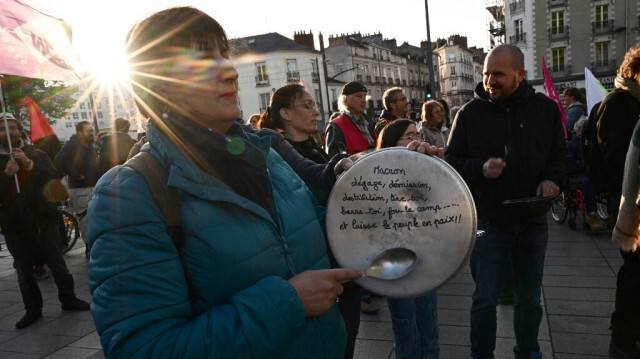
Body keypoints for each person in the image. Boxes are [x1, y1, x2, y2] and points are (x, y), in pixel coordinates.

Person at [87, 7, 363, 358]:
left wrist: (386, 185)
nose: (230, 71)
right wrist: (286, 304)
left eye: (223, 54)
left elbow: (312, 237)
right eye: (201, 58)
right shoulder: (128, 194)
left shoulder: (265, 154)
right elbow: (143, 348)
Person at [445, 44, 566, 359]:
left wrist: (553, 180)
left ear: (520, 74)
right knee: (484, 299)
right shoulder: (468, 113)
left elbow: (560, 155)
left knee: (529, 298)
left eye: (498, 74)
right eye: (486, 73)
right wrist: (480, 168)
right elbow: (450, 161)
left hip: (532, 222)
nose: (489, 80)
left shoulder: (546, 109)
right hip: (488, 223)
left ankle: (528, 352)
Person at [0, 112, 90, 329]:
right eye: (2, 128)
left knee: (58, 265)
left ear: (19, 129)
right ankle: (33, 309)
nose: (8, 132)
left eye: (12, 127)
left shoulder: (37, 154)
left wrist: (29, 165)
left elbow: (52, 178)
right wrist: (5, 175)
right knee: (24, 272)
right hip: (15, 226)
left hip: (44, 221)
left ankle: (68, 298)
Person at [377, 119, 440, 359]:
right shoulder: (377, 176)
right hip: (395, 262)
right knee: (405, 326)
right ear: (391, 144)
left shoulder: (429, 170)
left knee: (429, 321)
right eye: (408, 135)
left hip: (425, 258)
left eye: (418, 134)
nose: (417, 139)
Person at [595, 45, 640, 359]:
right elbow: (614, 157)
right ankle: (623, 339)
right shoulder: (620, 102)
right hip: (626, 197)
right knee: (633, 271)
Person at [54, 121, 98, 251]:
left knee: (93, 216)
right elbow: (58, 159)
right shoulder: (72, 144)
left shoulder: (89, 145)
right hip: (79, 188)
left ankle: (93, 243)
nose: (91, 133)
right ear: (80, 132)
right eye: (88, 131)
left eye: (91, 130)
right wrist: (75, 174)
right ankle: (88, 245)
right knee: (84, 219)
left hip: (92, 185)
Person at [566, 117, 603, 231]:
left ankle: (613, 212)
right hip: (578, 175)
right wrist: (586, 163)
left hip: (590, 172)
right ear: (579, 130)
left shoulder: (591, 143)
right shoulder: (571, 145)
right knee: (588, 182)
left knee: (609, 179)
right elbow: (570, 165)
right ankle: (592, 214)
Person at [324, 81, 375, 157]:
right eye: (359, 96)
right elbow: (334, 159)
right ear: (345, 99)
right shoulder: (336, 126)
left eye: (364, 96)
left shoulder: (368, 123)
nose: (364, 100)